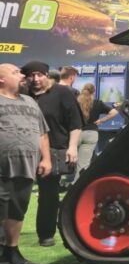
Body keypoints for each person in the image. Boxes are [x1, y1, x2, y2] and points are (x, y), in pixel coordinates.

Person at [22, 61, 82, 247]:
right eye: (32, 75)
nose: (36, 79)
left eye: (39, 74)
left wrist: (72, 147)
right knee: (17, 193)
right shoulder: (23, 94)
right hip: (24, 150)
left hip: (54, 149)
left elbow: (76, 123)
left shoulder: (62, 93)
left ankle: (46, 234)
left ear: (47, 75)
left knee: (48, 195)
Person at [0, 63, 51, 264]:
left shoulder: (30, 101)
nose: (22, 75)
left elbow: (42, 133)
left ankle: (12, 250)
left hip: (26, 166)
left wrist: (46, 158)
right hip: (2, 165)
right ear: (1, 79)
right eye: (15, 72)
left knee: (18, 208)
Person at [74, 83, 117, 183]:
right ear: (94, 91)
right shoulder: (97, 103)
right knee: (83, 164)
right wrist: (102, 120)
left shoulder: (76, 102)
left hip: (76, 133)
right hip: (91, 133)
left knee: (70, 158)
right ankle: (76, 185)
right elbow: (114, 112)